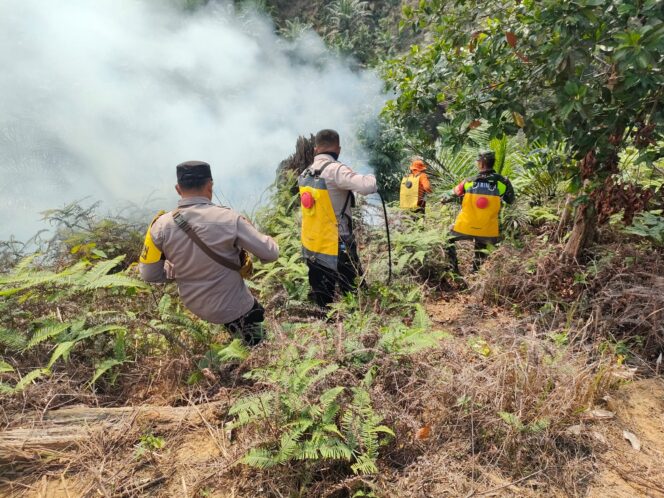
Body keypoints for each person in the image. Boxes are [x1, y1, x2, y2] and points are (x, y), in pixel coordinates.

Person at [139, 161, 279, 346]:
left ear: (178, 189)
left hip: (194, 306)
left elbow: (149, 274)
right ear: (210, 186)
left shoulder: (160, 226)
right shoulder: (230, 219)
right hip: (233, 306)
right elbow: (270, 254)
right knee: (256, 319)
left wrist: (175, 270)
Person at [298, 129, 377, 308]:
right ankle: (354, 323)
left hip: (312, 242)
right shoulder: (335, 170)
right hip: (337, 240)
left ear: (316, 149)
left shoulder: (305, 173)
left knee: (321, 294)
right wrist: (370, 175)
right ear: (338, 149)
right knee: (353, 291)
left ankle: (326, 324)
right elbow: (367, 186)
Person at [443, 151, 515, 274]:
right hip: (488, 229)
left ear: (481, 164)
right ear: (493, 163)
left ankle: (454, 270)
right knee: (482, 243)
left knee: (447, 238)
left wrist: (443, 199)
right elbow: (510, 200)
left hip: (465, 227)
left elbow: (449, 195)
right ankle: (475, 273)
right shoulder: (503, 182)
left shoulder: (468, 182)